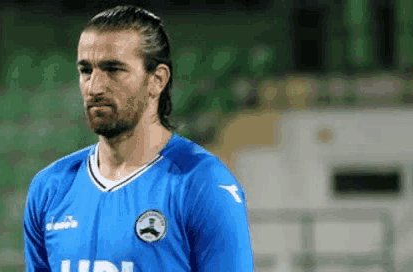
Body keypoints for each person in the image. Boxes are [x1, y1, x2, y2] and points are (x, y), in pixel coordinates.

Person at [23, 5, 254, 271]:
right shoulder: (50, 187)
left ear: (157, 79)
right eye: (86, 71)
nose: (94, 87)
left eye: (113, 70)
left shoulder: (202, 183)